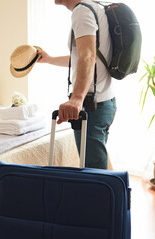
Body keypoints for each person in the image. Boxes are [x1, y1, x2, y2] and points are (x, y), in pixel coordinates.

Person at [38, 0, 116, 169]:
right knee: (95, 166)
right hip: (105, 101)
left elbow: (88, 57)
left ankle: (101, 196)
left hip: (92, 105)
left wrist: (77, 99)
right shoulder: (96, 8)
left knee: (94, 171)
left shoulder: (82, 11)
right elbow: (83, 58)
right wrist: (49, 59)